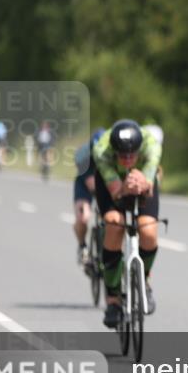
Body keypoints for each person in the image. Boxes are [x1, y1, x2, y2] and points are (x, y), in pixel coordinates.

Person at [93, 120, 163, 327]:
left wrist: (143, 183)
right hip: (111, 184)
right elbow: (115, 191)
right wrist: (124, 187)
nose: (127, 159)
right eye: (122, 155)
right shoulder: (102, 151)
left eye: (132, 155)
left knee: (148, 230)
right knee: (114, 224)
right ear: (114, 151)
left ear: (140, 150)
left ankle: (145, 281)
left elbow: (149, 185)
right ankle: (113, 299)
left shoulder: (151, 145)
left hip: (143, 180)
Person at [73, 128, 106, 265]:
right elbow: (92, 185)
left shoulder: (113, 151)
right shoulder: (83, 156)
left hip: (105, 180)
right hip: (85, 183)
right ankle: (82, 246)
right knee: (84, 217)